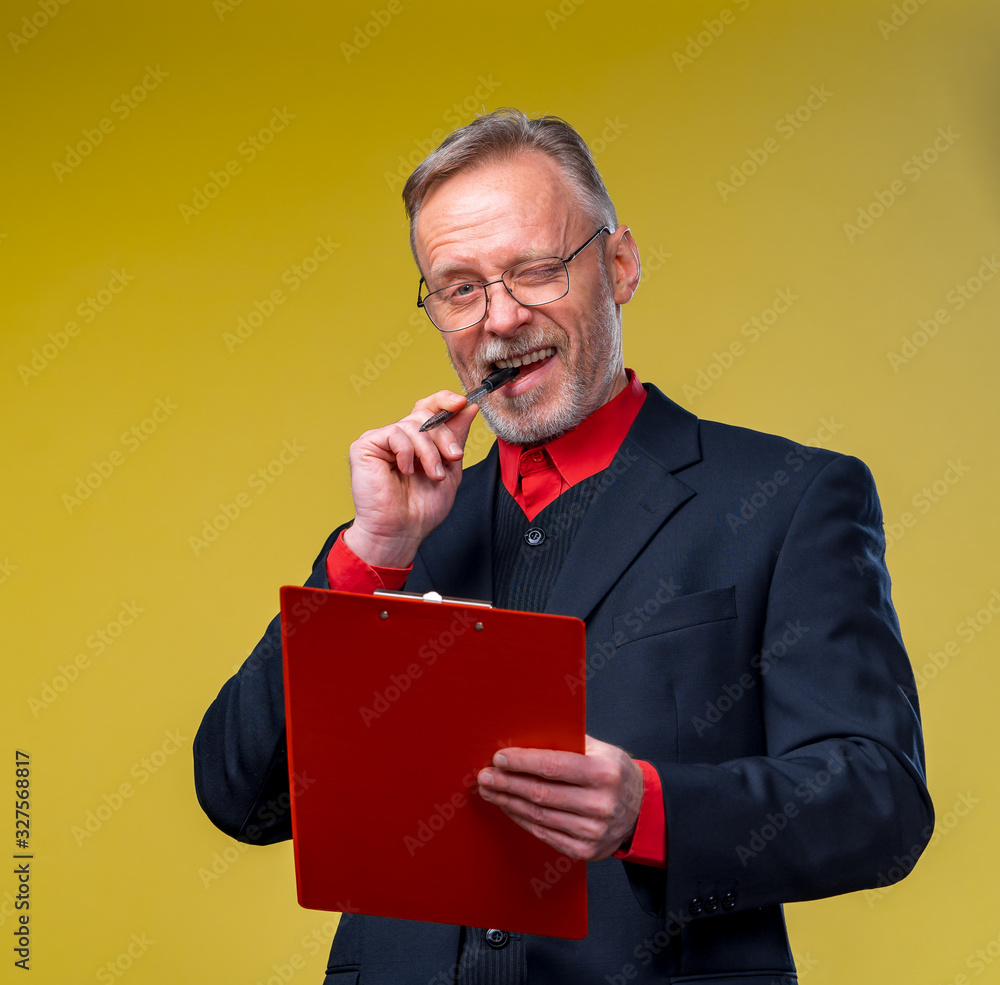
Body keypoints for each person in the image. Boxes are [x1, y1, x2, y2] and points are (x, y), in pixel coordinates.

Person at [194, 109, 933, 985]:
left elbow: (879, 803)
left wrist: (649, 811)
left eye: (536, 271)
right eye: (459, 287)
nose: (499, 319)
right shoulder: (395, 534)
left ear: (618, 267)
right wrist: (371, 555)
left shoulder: (791, 498)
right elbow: (244, 797)